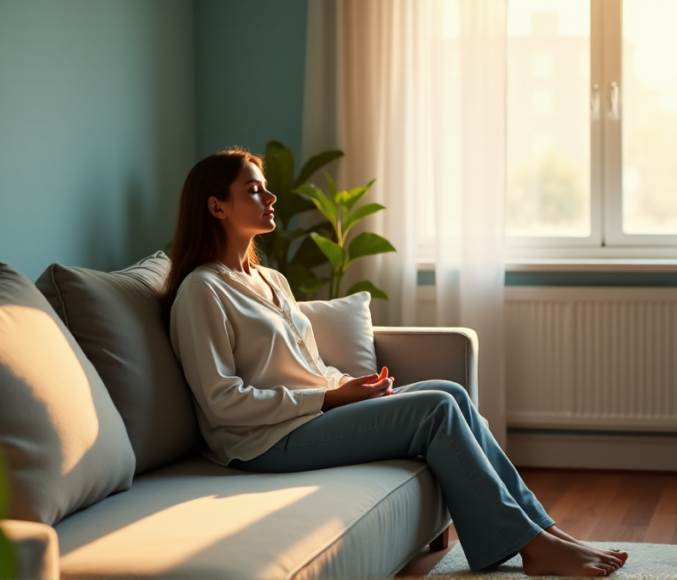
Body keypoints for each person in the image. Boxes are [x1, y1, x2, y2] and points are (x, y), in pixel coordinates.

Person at [162, 148, 629, 576]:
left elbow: (307, 366)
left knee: (450, 392)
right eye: (253, 190)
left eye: (265, 187)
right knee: (434, 410)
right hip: (261, 442)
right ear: (216, 206)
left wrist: (350, 386)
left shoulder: (271, 280)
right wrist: (327, 399)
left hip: (308, 416)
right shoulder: (202, 291)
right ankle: (532, 547)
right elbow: (222, 402)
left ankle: (544, 530)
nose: (270, 197)